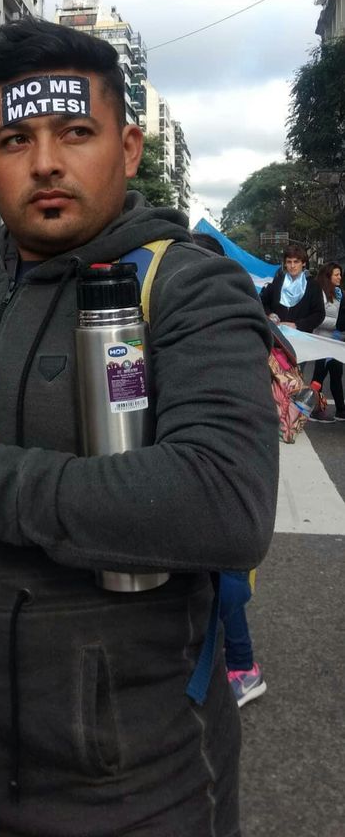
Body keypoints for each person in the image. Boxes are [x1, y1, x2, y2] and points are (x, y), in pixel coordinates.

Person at [0, 18, 279, 837]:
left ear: (130, 148)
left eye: (76, 133)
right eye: (14, 139)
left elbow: (224, 501)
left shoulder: (190, 290)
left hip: (125, 794)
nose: (44, 162)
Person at [191, 232, 267, 707]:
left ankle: (242, 666)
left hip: (230, 472)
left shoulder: (226, 320)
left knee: (227, 579)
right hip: (226, 469)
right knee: (219, 575)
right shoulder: (224, 315)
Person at [259, 242, 324, 333]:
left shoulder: (313, 285)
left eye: (296, 262)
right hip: (277, 335)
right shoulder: (278, 282)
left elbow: (319, 314)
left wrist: (297, 325)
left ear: (303, 263)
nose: (292, 266)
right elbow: (264, 303)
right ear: (285, 264)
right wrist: (270, 314)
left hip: (301, 337)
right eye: (289, 262)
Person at [309, 261, 345, 423]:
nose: (340, 277)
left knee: (336, 375)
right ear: (328, 276)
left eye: (340, 274)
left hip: (336, 342)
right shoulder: (319, 293)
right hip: (322, 342)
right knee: (318, 377)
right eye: (337, 274)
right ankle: (313, 408)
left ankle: (340, 410)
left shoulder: (339, 293)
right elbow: (317, 318)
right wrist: (338, 324)